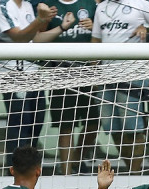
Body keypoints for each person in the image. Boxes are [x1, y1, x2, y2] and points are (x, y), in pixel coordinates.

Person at [0, 0, 76, 169]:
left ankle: (30, 173)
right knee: (20, 126)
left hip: (33, 73)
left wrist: (62, 27)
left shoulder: (27, 5)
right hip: (13, 75)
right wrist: (40, 20)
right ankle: (16, 176)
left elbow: (33, 39)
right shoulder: (1, 4)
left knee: (36, 124)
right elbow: (19, 37)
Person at [91, 0, 149, 174]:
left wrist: (147, 29)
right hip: (106, 74)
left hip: (133, 72)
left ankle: (134, 173)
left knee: (131, 126)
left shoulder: (142, 2)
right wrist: (95, 71)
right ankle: (130, 169)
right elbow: (96, 40)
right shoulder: (101, 7)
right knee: (112, 126)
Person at [42, 0, 99, 175]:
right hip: (60, 71)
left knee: (93, 123)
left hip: (88, 70)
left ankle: (75, 160)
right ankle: (66, 172)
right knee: (66, 125)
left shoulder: (90, 3)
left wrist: (94, 27)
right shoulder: (50, 4)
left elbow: (102, 33)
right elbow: (40, 38)